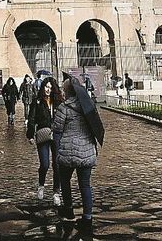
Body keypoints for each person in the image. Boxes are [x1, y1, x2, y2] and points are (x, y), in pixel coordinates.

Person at [53, 75, 105, 235]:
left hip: (68, 151)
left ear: (68, 91)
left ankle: (69, 211)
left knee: (65, 181)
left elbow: (57, 131)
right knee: (85, 185)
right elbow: (95, 126)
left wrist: (57, 151)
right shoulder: (88, 107)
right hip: (86, 151)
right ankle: (87, 218)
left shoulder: (64, 108)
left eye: (63, 89)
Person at [26, 76, 63, 205]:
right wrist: (30, 135)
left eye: (50, 88)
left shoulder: (58, 102)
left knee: (57, 165)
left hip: (56, 134)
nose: (48, 90)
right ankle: (41, 185)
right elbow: (32, 118)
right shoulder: (37, 101)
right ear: (43, 87)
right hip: (43, 134)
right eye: (47, 87)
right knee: (45, 164)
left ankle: (56, 192)